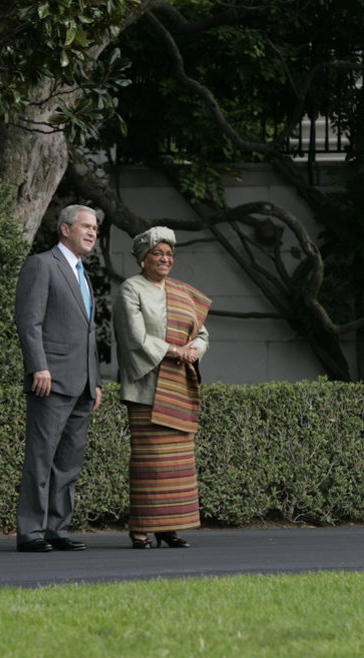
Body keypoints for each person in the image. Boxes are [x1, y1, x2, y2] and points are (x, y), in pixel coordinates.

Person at [113, 226, 211, 549]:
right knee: (150, 463)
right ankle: (141, 529)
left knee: (177, 464)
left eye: (169, 254)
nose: (165, 259)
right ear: (144, 258)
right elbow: (135, 338)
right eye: (158, 253)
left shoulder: (181, 292)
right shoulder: (131, 289)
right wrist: (175, 351)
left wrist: (194, 349)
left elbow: (202, 333)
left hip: (178, 388)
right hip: (147, 390)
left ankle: (169, 528)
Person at [14, 205, 102, 553]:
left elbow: (88, 333)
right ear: (65, 229)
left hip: (81, 385)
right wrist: (39, 366)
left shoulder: (84, 274)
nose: (93, 232)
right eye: (86, 226)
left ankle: (56, 528)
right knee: (41, 457)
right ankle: (31, 532)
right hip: (49, 380)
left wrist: (94, 381)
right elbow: (29, 321)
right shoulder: (41, 265)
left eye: (95, 227)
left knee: (68, 462)